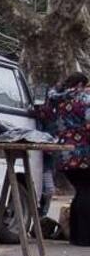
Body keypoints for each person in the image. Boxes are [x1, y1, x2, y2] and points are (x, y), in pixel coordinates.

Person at [37, 73, 90, 246]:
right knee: (86, 191)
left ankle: (75, 236)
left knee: (80, 191)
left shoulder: (55, 99)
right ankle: (84, 237)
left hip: (62, 152)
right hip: (83, 152)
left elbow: (44, 117)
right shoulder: (84, 99)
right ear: (82, 83)